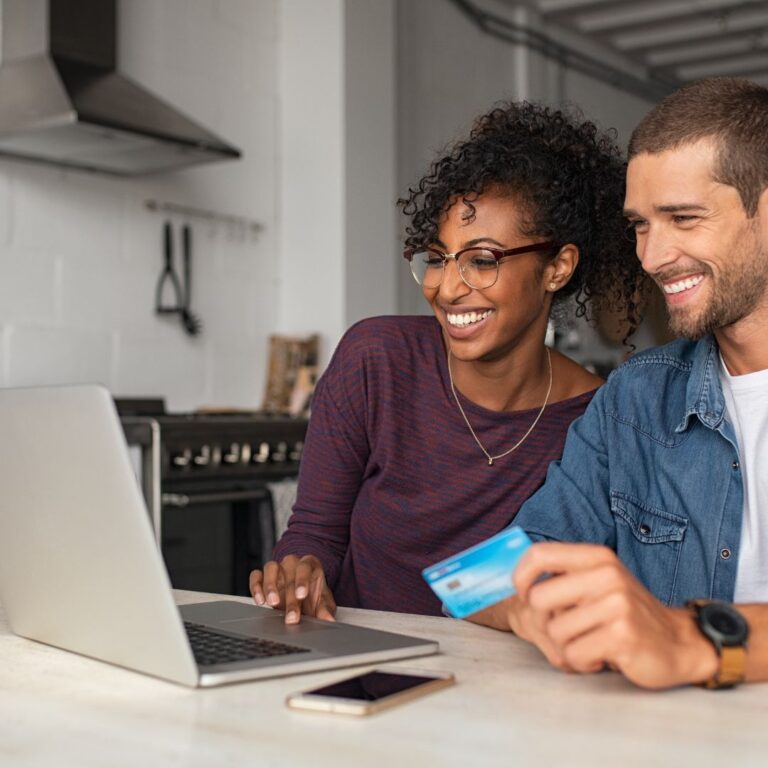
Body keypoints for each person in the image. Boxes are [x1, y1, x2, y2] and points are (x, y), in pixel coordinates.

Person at [250, 102, 643, 622]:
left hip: (487, 693)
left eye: (482, 260)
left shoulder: (597, 421)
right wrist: (297, 575)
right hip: (347, 678)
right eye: (437, 258)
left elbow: (532, 582)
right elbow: (314, 533)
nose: (448, 288)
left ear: (557, 268)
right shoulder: (377, 360)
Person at [471, 77, 768, 689]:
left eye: (683, 218)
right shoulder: (635, 400)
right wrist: (541, 607)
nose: (653, 257)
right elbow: (478, 579)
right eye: (640, 224)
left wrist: (691, 639)